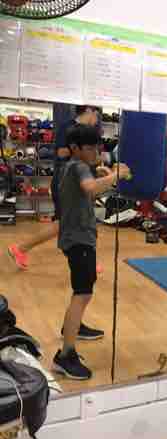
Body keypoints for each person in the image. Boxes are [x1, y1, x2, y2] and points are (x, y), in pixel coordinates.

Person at [52, 124, 130, 380]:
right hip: (78, 240)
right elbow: (90, 188)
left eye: (97, 148)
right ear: (75, 148)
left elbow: (89, 189)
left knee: (83, 290)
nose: (95, 152)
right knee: (82, 293)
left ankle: (73, 326)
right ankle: (65, 356)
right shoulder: (79, 167)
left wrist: (105, 177)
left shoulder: (69, 167)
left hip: (76, 237)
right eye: (90, 148)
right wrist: (116, 174)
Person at [8, 105, 100, 270]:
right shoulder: (68, 127)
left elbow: (89, 159)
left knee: (78, 221)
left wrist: (95, 165)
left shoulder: (86, 132)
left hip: (78, 182)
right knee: (63, 223)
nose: (97, 119)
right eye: (96, 114)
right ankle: (20, 248)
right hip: (65, 182)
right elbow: (60, 153)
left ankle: (87, 258)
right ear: (88, 110)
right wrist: (80, 150)